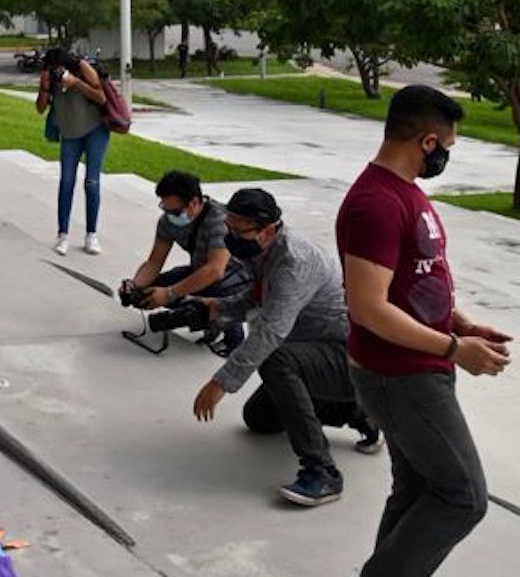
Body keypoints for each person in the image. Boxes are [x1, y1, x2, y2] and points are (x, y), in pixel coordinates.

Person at [337, 85, 511, 576]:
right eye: (448, 148)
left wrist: (461, 323)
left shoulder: (407, 193)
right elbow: (369, 308)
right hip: (400, 376)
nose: (446, 158)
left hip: (417, 367)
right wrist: (456, 348)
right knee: (464, 497)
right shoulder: (375, 203)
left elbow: (414, 280)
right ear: (428, 142)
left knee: (416, 490)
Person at [192, 188, 375, 507]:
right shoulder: (262, 250)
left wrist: (221, 382)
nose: (231, 237)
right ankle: (358, 413)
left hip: (346, 357)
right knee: (259, 420)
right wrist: (211, 309)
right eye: (228, 228)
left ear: (267, 230)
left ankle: (323, 472)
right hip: (311, 351)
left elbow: (271, 332)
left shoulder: (294, 262)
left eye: (238, 231)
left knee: (275, 359)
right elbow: (257, 296)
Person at [125, 170, 250, 354]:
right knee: (148, 291)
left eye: (174, 211)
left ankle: (233, 339)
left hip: (237, 277)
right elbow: (153, 263)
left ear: (194, 203)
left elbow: (216, 270)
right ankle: (210, 322)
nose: (169, 215)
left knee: (200, 301)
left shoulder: (219, 220)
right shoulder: (167, 222)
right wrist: (133, 286)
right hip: (202, 269)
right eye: (164, 208)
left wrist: (169, 294)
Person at [35, 47, 109, 256]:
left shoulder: (82, 68)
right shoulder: (51, 78)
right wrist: (44, 87)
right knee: (66, 182)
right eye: (51, 69)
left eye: (57, 68)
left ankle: (91, 235)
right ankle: (63, 234)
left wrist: (75, 83)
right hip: (70, 134)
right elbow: (40, 108)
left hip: (95, 131)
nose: (56, 72)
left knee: (92, 182)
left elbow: (100, 97)